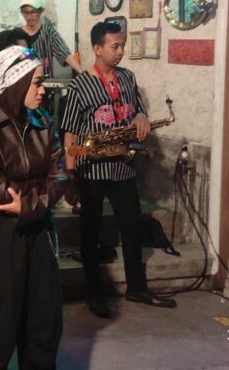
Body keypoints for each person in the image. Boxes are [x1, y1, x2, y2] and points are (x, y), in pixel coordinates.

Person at [60, 20, 176, 319]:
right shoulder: (79, 86)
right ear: (97, 49)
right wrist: (71, 175)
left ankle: (137, 287)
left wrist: (141, 117)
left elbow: (138, 108)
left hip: (123, 166)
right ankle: (94, 293)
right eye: (115, 46)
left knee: (132, 226)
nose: (120, 51)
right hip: (91, 168)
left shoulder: (127, 77)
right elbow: (70, 134)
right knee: (91, 232)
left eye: (122, 45)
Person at [0, 45, 67, 370]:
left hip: (38, 229)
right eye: (37, 83)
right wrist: (40, 192)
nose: (42, 90)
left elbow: (61, 175)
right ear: (16, 83)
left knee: (43, 323)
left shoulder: (43, 121)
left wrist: (30, 202)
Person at [18, 0, 81, 79]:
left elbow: (66, 55)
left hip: (45, 83)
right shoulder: (17, 35)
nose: (29, 17)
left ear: (41, 11)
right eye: (25, 12)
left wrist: (83, 74)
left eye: (33, 12)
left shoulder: (49, 33)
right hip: (23, 84)